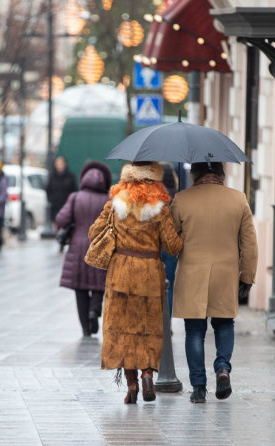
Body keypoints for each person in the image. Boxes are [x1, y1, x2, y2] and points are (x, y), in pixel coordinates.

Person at [89, 161, 183, 404]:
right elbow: (173, 246)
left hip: (120, 275)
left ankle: (131, 385)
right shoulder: (161, 209)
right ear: (154, 180)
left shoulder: (114, 204)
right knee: (149, 328)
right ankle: (147, 374)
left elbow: (93, 233)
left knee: (122, 330)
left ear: (127, 179)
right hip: (150, 275)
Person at [170, 162, 257, 404]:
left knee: (194, 331)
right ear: (221, 174)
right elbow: (250, 244)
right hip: (225, 275)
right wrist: (247, 277)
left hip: (192, 274)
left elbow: (170, 241)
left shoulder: (181, 200)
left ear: (194, 174)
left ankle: (198, 388)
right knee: (224, 324)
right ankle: (222, 368)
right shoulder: (238, 200)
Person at [55, 161, 112, 338]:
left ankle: (85, 329)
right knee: (99, 283)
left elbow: (60, 219)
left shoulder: (75, 197)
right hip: (99, 246)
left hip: (78, 247)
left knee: (80, 287)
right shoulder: (108, 200)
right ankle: (94, 310)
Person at [160, 163, 179, 317]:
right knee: (170, 285)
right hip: (171, 246)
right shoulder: (178, 198)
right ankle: (167, 322)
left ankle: (157, 319)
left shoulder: (154, 197)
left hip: (154, 245)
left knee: (154, 284)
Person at [46, 156, 77, 224]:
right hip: (55, 208)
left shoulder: (70, 177)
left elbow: (74, 191)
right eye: (58, 163)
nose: (59, 165)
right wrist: (51, 200)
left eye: (61, 163)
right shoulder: (52, 176)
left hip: (67, 206)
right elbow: (48, 189)